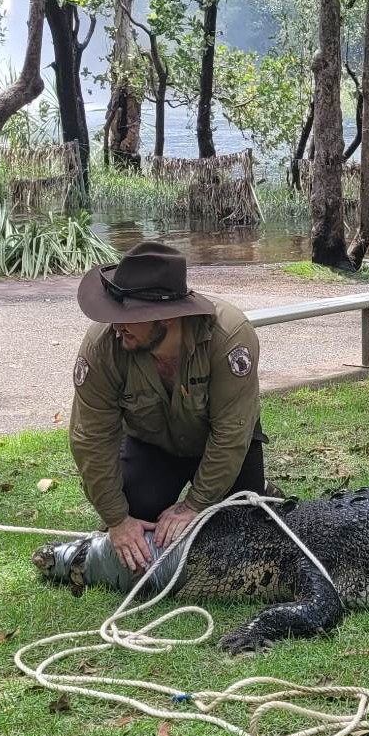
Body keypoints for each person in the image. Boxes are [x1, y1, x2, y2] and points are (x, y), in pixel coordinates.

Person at [68, 241, 268, 573]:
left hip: (219, 445)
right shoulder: (103, 346)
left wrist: (194, 505)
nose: (117, 326)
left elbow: (231, 434)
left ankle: (257, 491)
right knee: (136, 516)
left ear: (168, 317)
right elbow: (91, 438)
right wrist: (117, 520)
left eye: (128, 316)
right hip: (152, 444)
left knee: (238, 533)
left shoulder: (229, 336)